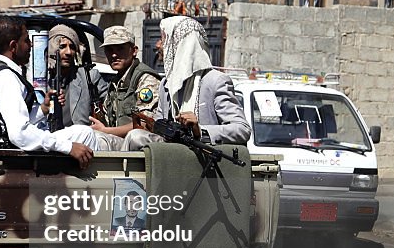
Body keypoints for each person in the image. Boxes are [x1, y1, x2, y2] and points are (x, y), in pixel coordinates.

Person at [0, 17, 117, 169]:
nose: (30, 45)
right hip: (8, 156)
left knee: (83, 131)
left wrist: (44, 108)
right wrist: (68, 147)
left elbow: (14, 121)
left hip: (5, 149)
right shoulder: (6, 78)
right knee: (86, 134)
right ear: (13, 46)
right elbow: (19, 133)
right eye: (26, 41)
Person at [122, 16, 250, 150]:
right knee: (135, 137)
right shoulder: (166, 84)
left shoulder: (215, 81)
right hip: (172, 156)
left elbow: (242, 129)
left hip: (203, 158)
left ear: (181, 44)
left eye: (164, 39)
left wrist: (200, 130)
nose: (158, 45)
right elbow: (159, 126)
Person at [90, 25, 161, 139]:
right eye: (109, 49)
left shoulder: (145, 79)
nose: (114, 55)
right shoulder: (115, 82)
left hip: (139, 146)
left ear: (134, 51)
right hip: (119, 144)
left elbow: (145, 124)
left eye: (120, 48)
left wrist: (106, 131)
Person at [46, 24, 110, 129]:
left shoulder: (89, 77)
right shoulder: (40, 81)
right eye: (62, 47)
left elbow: (112, 105)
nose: (68, 52)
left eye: (72, 47)